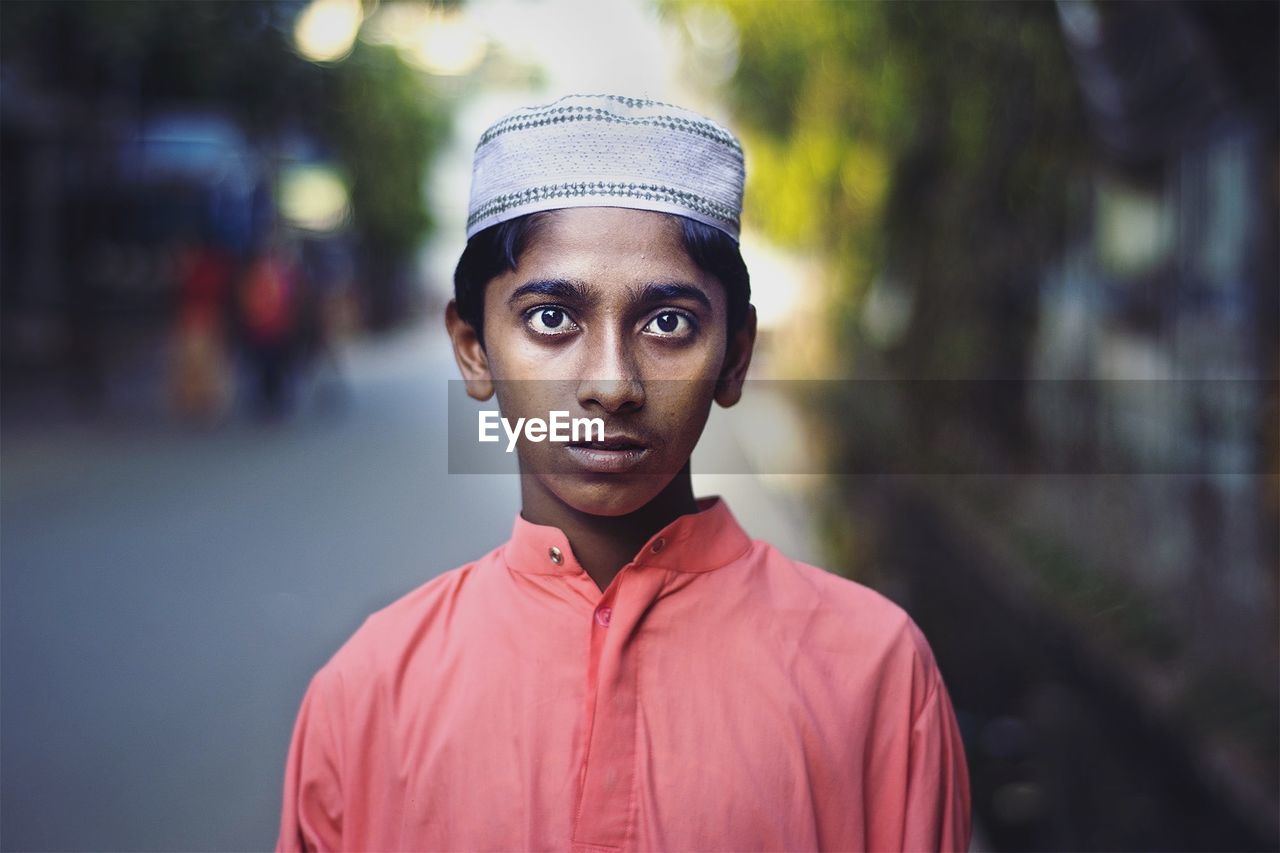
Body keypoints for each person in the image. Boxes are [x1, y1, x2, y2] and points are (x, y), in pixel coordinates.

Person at [276, 94, 971, 851]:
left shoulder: (875, 673)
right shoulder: (367, 691)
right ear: (473, 348)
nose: (612, 383)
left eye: (668, 322)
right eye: (551, 318)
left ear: (735, 356)